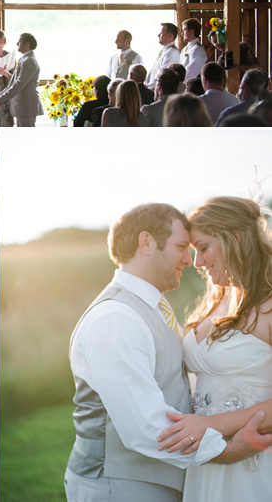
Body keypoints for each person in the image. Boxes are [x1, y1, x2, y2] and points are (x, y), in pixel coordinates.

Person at [65, 202, 266, 502]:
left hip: (165, 478)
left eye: (196, 247)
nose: (190, 260)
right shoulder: (116, 318)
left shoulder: (152, 306)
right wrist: (228, 450)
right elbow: (146, 426)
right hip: (120, 486)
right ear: (146, 243)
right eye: (182, 246)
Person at [156, 197, 272, 502]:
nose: (197, 262)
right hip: (205, 457)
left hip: (251, 459)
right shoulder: (215, 301)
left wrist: (211, 425)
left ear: (234, 237)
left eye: (203, 248)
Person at [0, 33, 44, 127]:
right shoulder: (26, 58)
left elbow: (19, 85)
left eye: (19, 42)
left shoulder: (29, 61)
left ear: (27, 44)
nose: (17, 44)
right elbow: (17, 80)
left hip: (26, 106)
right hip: (23, 106)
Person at [145, 23, 180, 91]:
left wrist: (150, 86)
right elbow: (153, 70)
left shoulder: (172, 52)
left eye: (161, 33)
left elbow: (162, 72)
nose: (158, 35)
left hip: (160, 90)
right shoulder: (165, 50)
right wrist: (147, 83)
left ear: (170, 36)